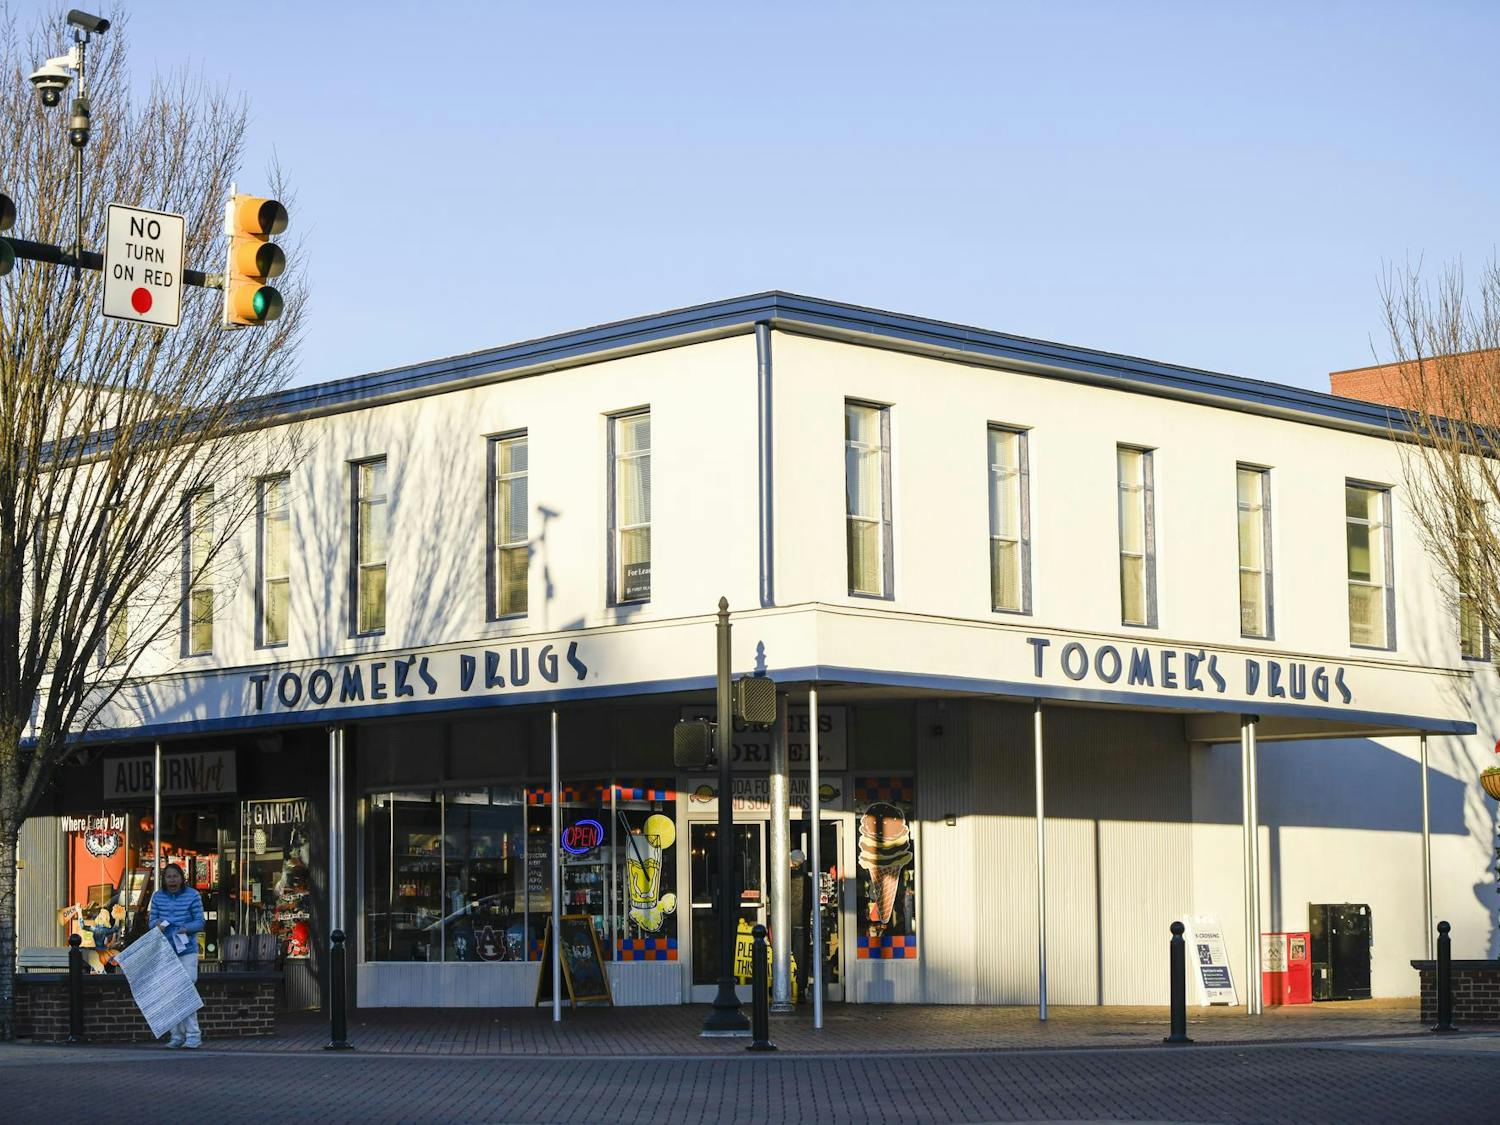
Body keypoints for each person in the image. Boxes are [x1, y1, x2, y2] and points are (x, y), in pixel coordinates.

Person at [149, 862, 204, 1049]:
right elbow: (151, 922)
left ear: (182, 878)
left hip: (186, 949)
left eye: (175, 876)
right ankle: (178, 1035)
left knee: (185, 987)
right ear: (164, 879)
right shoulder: (157, 897)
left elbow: (200, 922)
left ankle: (193, 1035)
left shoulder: (193, 895)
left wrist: (186, 928)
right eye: (168, 877)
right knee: (172, 993)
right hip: (166, 950)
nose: (172, 880)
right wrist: (157, 924)